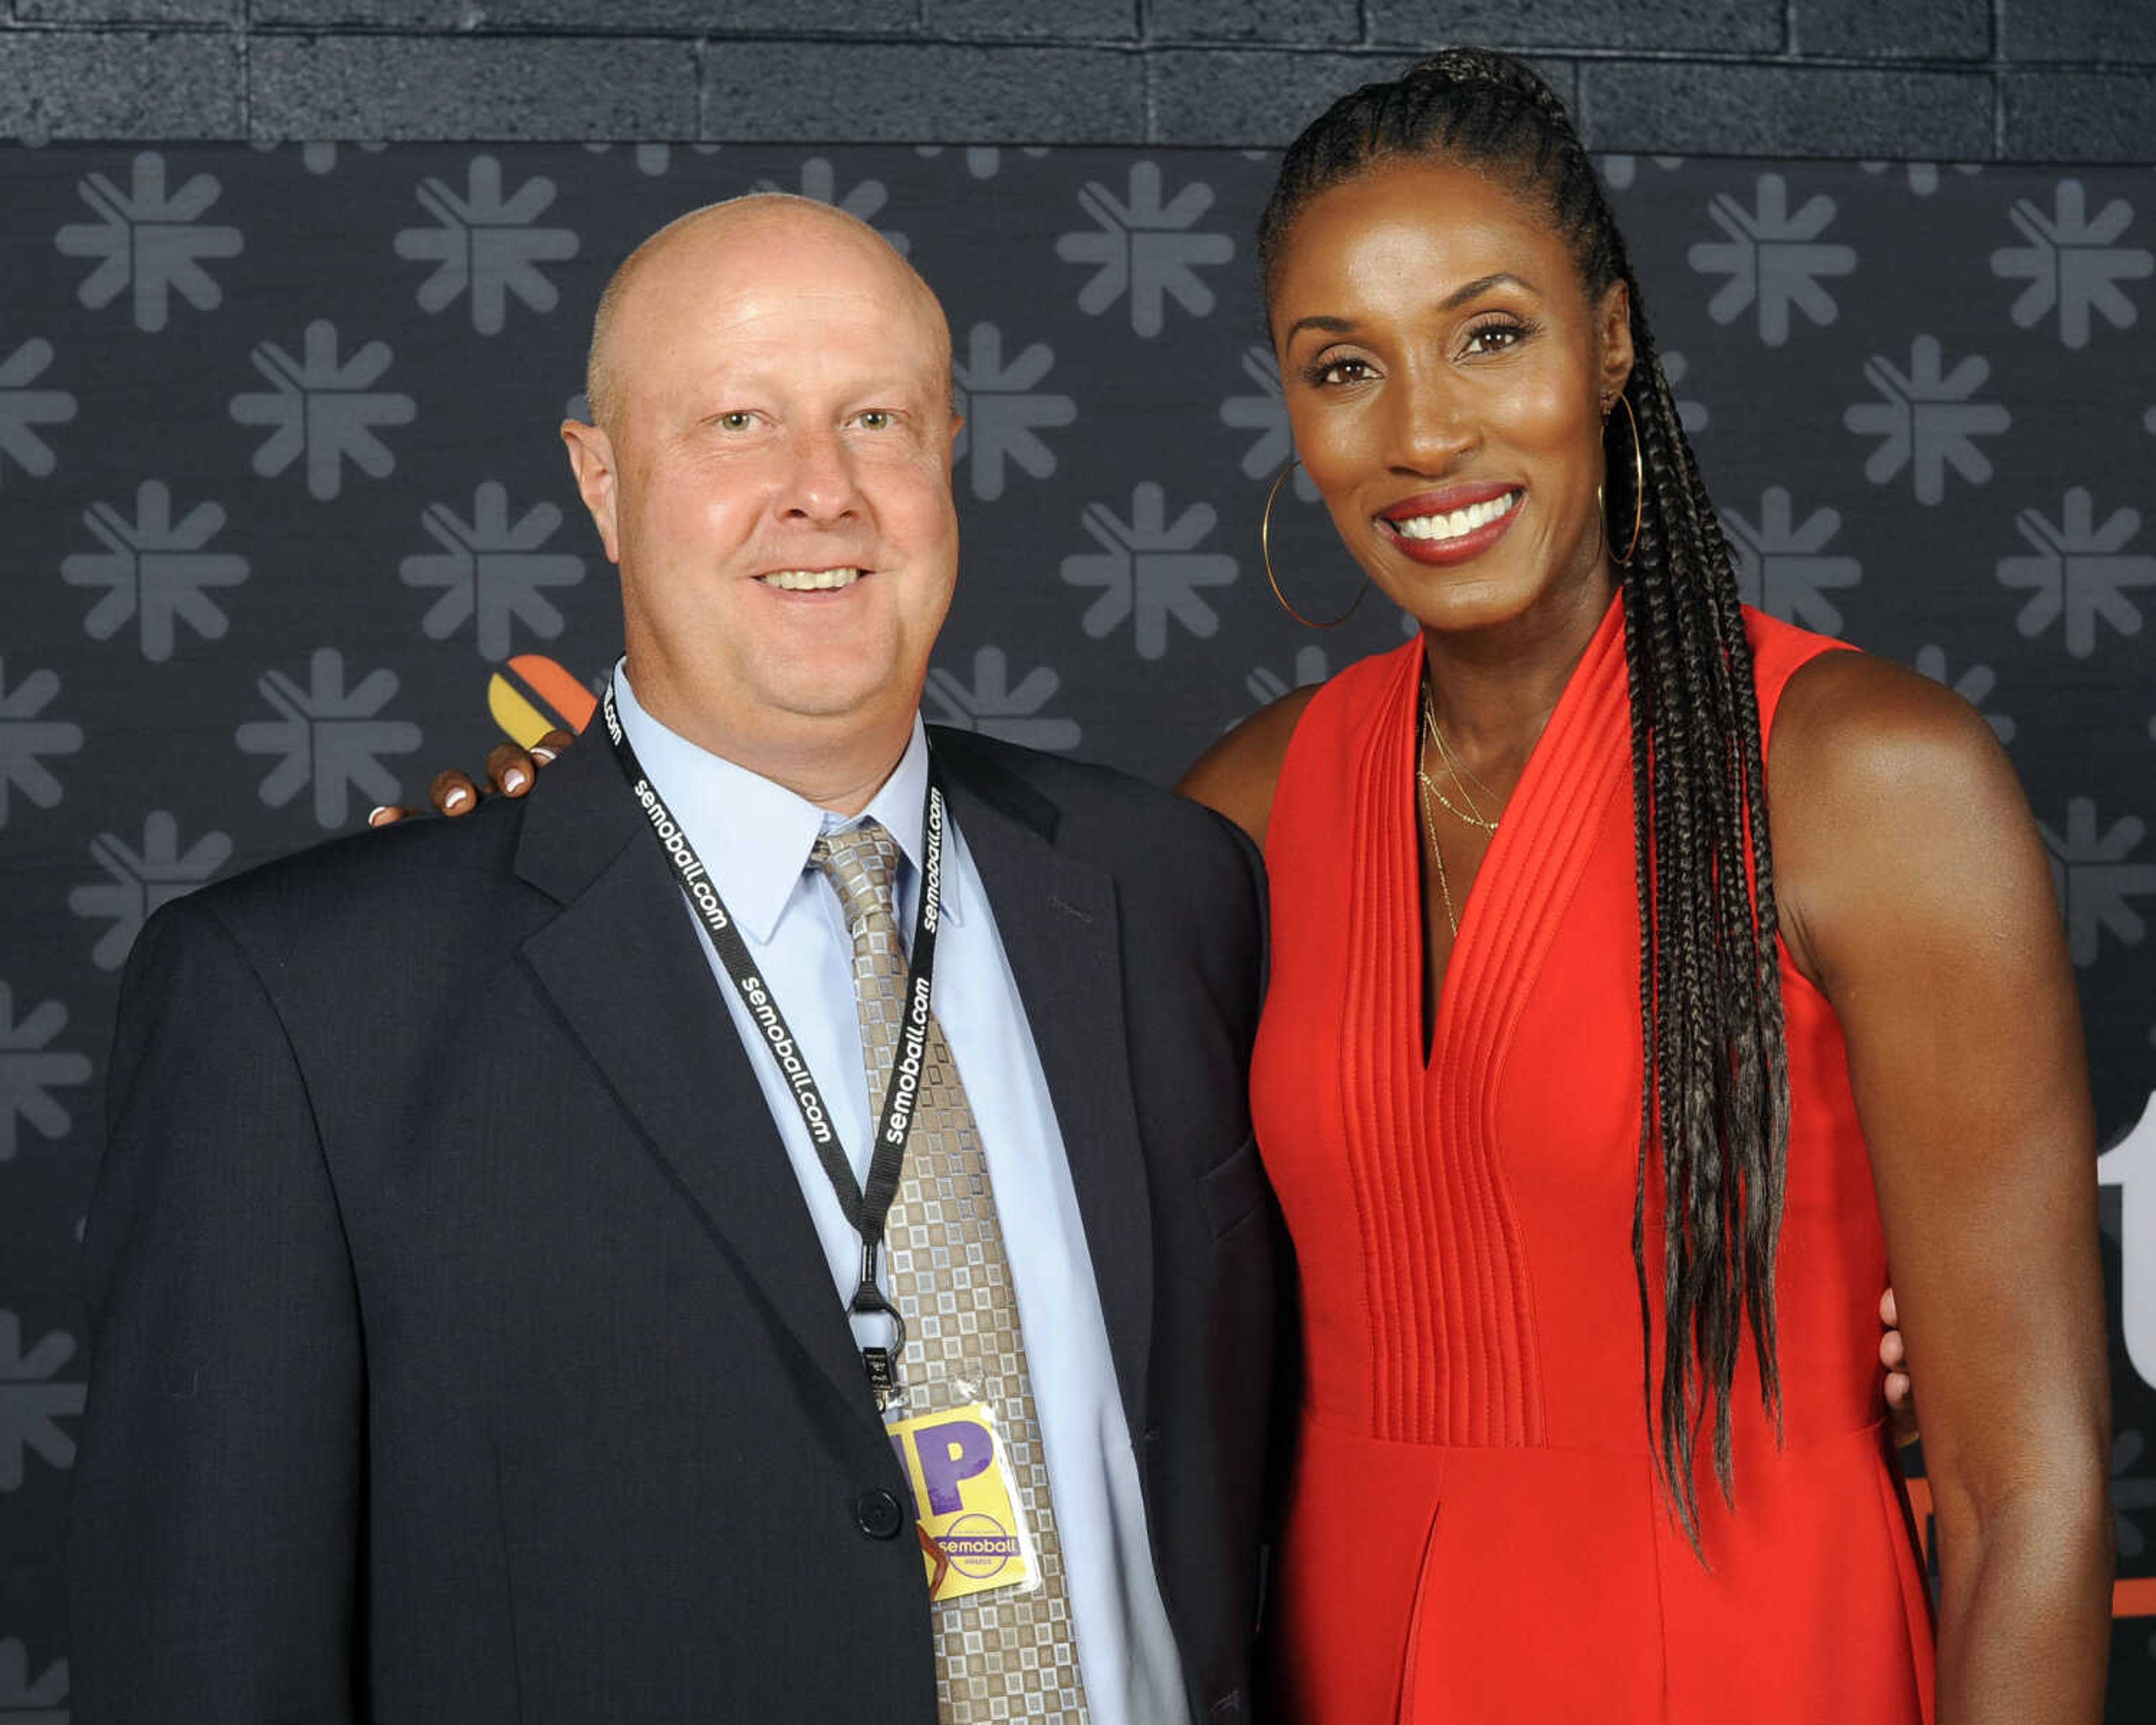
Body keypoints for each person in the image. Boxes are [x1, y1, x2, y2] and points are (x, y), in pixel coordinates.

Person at [66, 195, 1279, 1722]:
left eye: (877, 420)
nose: (820, 491)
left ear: (951, 453)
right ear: (602, 478)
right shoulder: (300, 1009)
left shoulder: (1166, 891)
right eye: (738, 422)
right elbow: (206, 1667)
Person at [1173, 48, 2112, 1725]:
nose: (1425, 432)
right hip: (1347, 1662)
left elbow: (2026, 1499)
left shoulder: (1864, 779)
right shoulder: (1243, 810)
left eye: (1490, 334)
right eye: (1342, 368)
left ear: (1608, 342)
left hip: (1746, 1655)